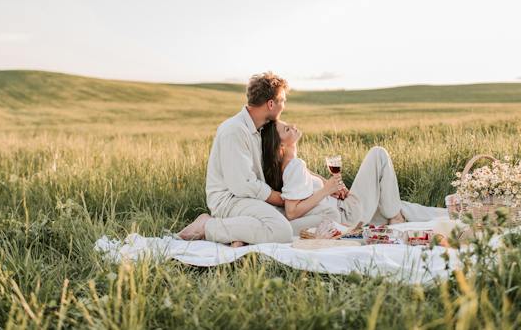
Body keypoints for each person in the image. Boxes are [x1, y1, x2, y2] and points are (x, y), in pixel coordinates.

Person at [177, 72, 293, 245]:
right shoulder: (234, 131)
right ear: (270, 104)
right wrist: (282, 199)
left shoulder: (260, 129)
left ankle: (239, 235)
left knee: (293, 220)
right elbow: (243, 185)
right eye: (282, 100)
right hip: (230, 201)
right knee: (282, 232)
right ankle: (207, 226)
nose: (284, 106)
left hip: (247, 199)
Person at [261, 119, 426, 235]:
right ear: (281, 145)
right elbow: (291, 212)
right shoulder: (294, 167)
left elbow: (305, 176)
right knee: (378, 154)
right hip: (347, 214)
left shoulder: (293, 165)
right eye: (287, 129)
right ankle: (396, 218)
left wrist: (329, 185)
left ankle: (396, 213)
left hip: (343, 206)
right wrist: (326, 190)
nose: (292, 126)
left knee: (403, 206)